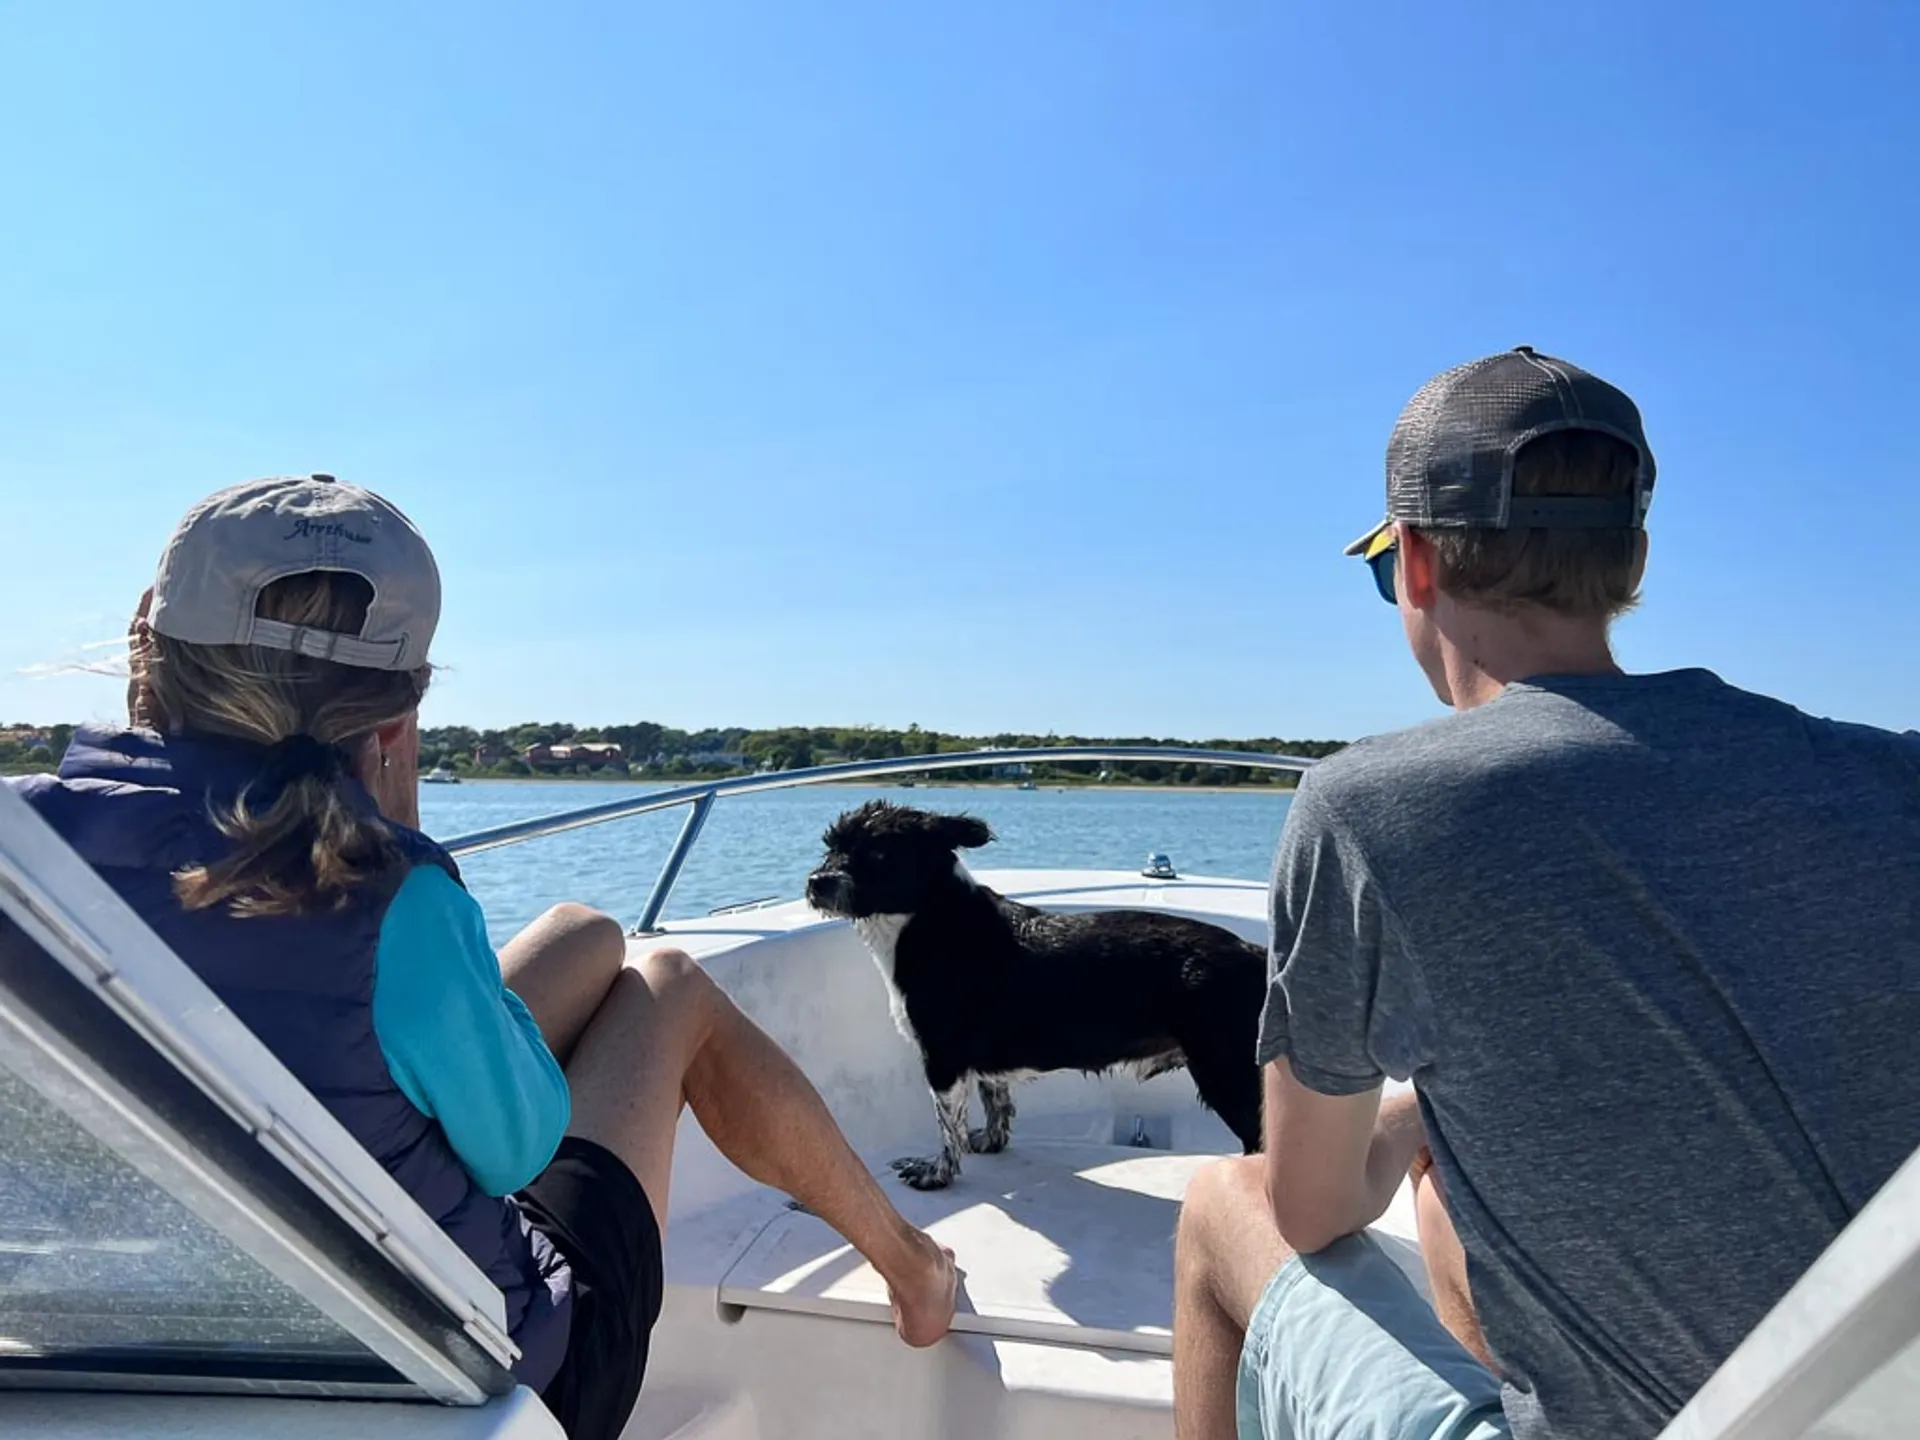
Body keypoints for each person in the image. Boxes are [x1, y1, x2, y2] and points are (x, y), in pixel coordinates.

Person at [13, 476, 957, 1440]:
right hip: (450, 1365)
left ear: (150, 647)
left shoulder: (26, 842)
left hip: (112, 1339)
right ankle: (912, 1270)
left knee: (585, 933)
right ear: (396, 716)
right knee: (666, 987)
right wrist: (404, 849)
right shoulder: (387, 892)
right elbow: (518, 1147)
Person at [1171, 347, 1920, 1439]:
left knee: (1221, 1207)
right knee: (1455, 1170)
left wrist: (1411, 1109)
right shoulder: (1890, 777)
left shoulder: (1369, 809)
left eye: (1385, 567)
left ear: (1416, 564)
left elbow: (1313, 1205)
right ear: (1636, 559)